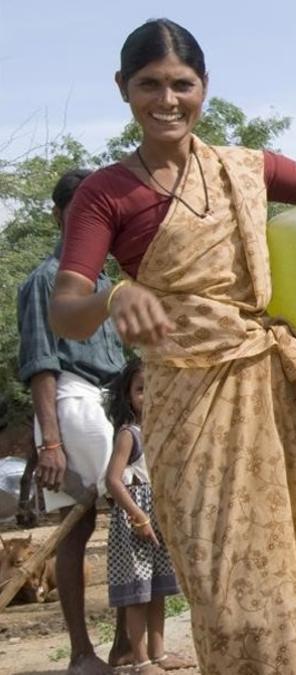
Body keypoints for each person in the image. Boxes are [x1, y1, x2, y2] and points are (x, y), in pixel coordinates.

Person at [48, 19, 296, 672]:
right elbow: (67, 308)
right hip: (188, 407)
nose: (167, 100)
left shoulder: (247, 168)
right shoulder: (105, 193)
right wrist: (112, 296)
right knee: (228, 595)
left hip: (270, 393)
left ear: (204, 87)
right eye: (149, 84)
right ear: (122, 89)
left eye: (181, 84)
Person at [16, 168, 128, 674]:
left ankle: (129, 643)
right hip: (73, 401)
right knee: (86, 520)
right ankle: (82, 652)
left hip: (109, 402)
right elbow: (42, 363)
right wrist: (52, 443)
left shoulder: (105, 282)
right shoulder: (44, 280)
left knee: (130, 514)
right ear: (61, 215)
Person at [104, 360, 192, 674]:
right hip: (134, 523)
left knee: (157, 590)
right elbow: (113, 480)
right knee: (137, 594)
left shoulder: (159, 431)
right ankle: (140, 660)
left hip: (158, 518)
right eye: (141, 389)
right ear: (129, 396)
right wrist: (139, 516)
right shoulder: (130, 434)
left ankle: (159, 655)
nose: (149, 395)